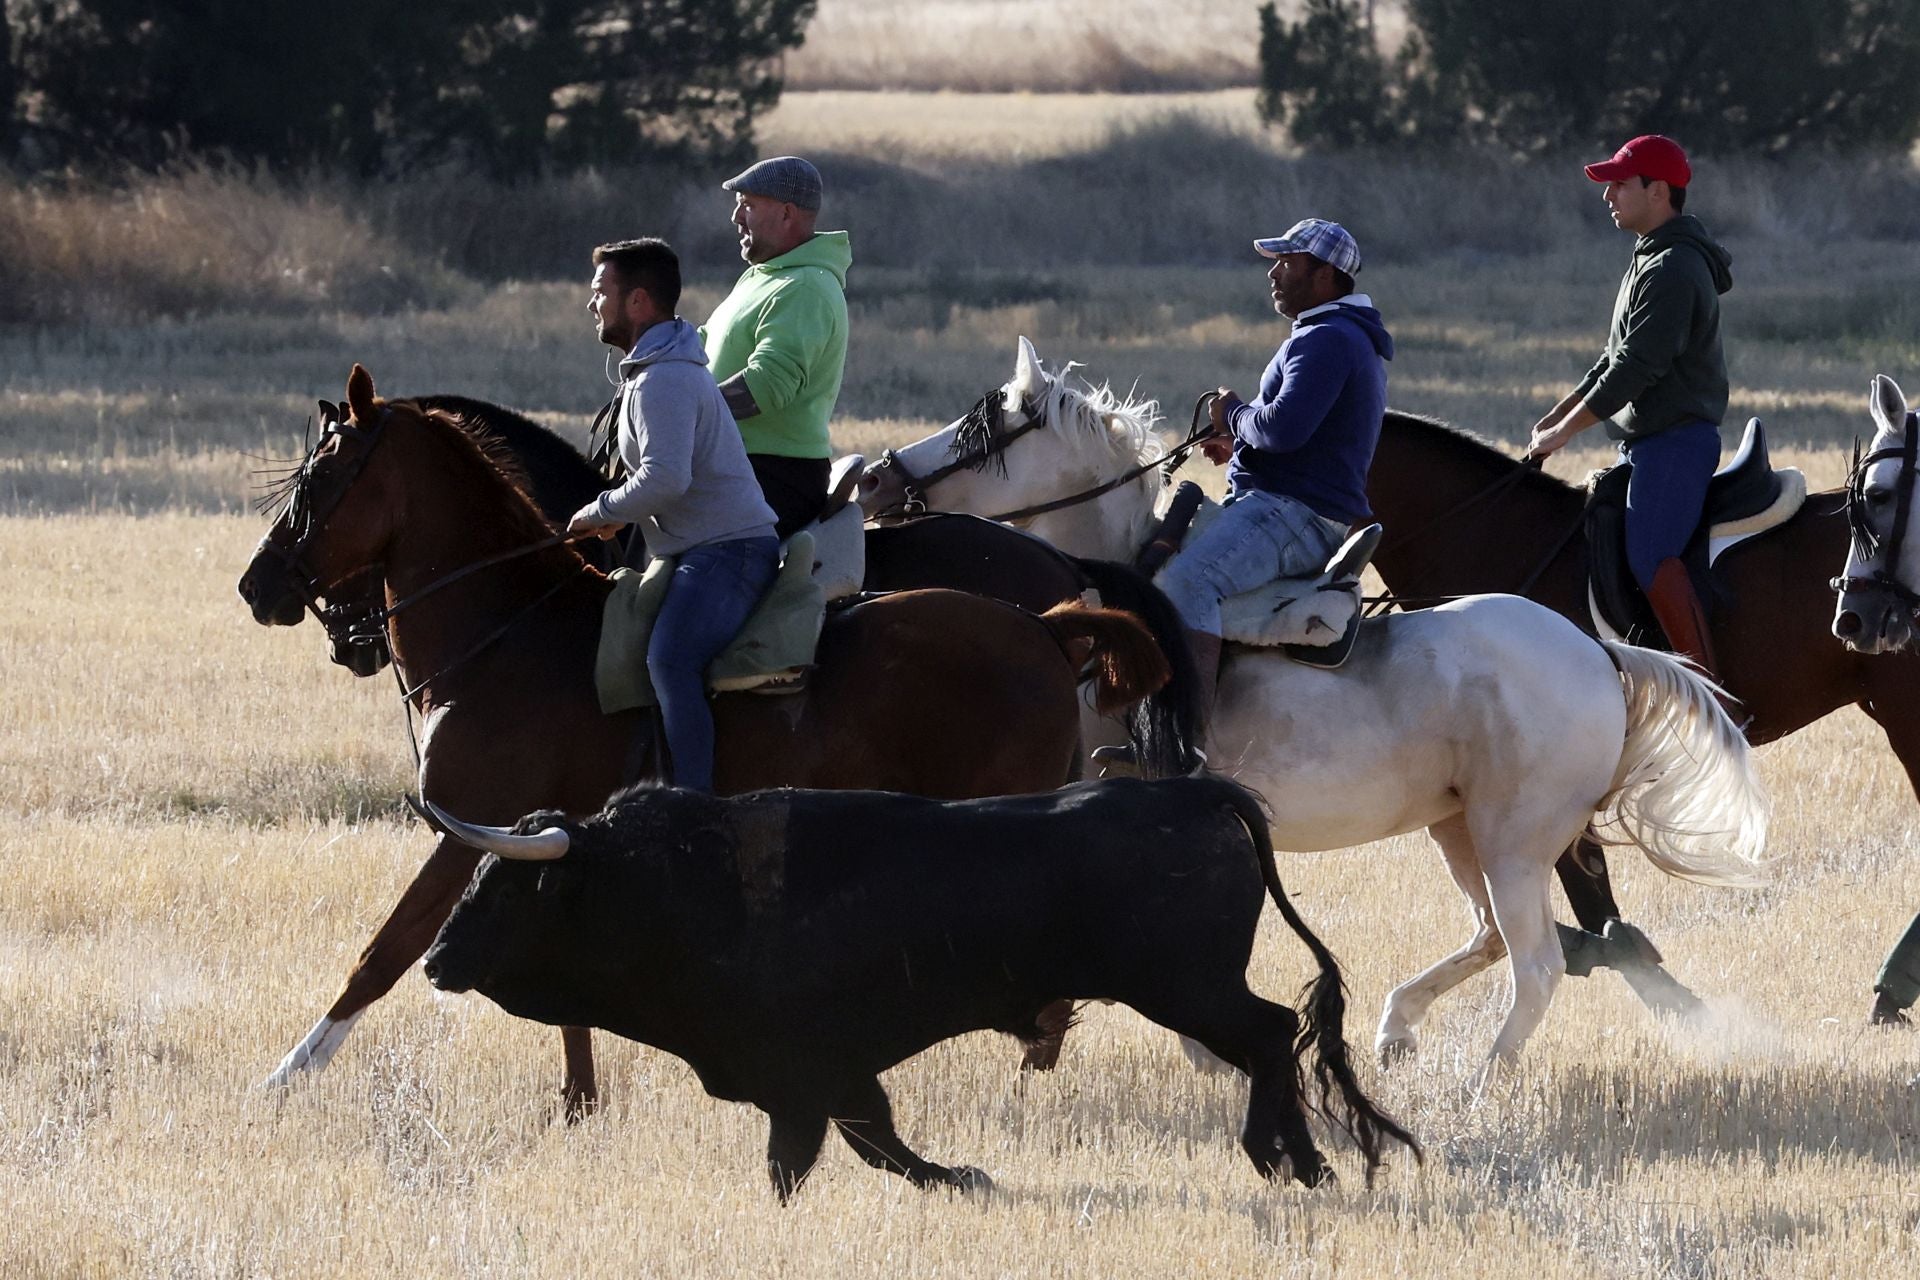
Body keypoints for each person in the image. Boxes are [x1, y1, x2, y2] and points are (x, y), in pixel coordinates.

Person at [569, 238, 780, 794]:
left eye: (601, 293)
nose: (593, 305)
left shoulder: (663, 379)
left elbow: (666, 479)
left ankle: (690, 807)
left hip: (727, 552)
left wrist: (597, 512)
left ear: (637, 302)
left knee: (670, 661)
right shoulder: (656, 371)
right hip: (702, 548)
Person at [1160, 218, 1393, 717]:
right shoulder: (1340, 335)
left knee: (1187, 584)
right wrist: (1242, 446)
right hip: (1295, 506)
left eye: (1288, 262)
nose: (1274, 274)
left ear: (1324, 274)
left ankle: (1182, 742)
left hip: (1291, 514)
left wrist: (1233, 413)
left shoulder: (1327, 339)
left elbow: (1283, 429)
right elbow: (1298, 436)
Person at [1528, 134, 1733, 683]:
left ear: (1658, 191)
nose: (1608, 195)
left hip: (1674, 445)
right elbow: (1611, 359)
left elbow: (1635, 369)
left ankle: (1711, 691)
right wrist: (1559, 414)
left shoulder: (1673, 269)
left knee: (1649, 556)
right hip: (1648, 444)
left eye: (1620, 183)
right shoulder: (1651, 257)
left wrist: (1566, 432)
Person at [699, 155, 851, 539]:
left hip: (773, 477)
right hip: (740, 467)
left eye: (747, 205)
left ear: (786, 214)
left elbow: (767, 386)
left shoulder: (804, 287)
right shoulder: (762, 277)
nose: (736, 217)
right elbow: (705, 344)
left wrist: (685, 410)